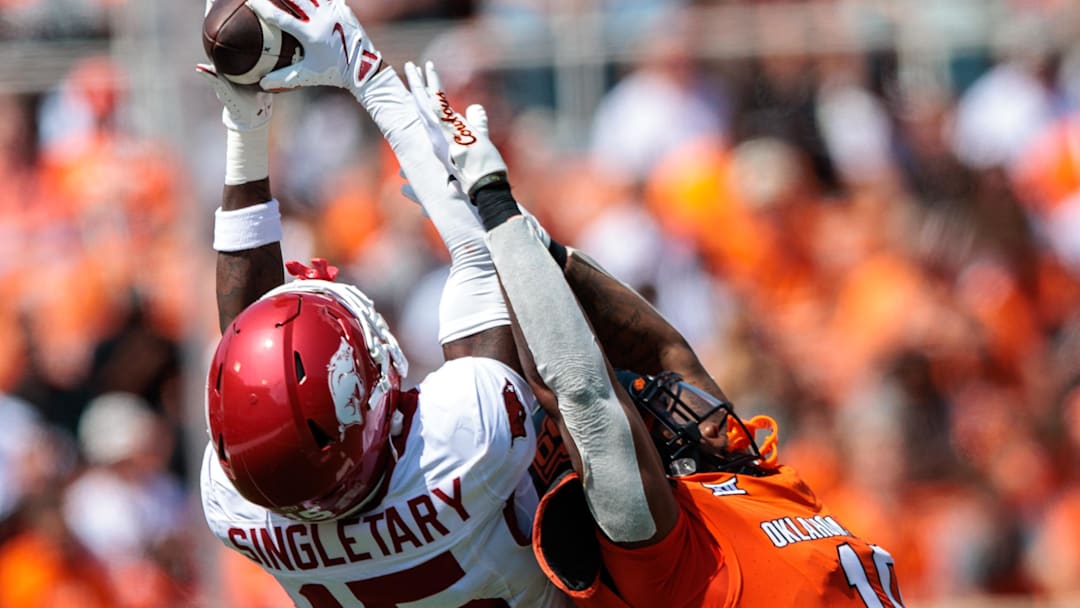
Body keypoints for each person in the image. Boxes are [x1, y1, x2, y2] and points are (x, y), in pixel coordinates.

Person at [403, 61, 908, 607]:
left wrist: (528, 237)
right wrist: (495, 206)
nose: (672, 397)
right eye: (651, 413)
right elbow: (583, 392)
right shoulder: (669, 561)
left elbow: (666, 350)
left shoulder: (755, 478)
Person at [195, 1, 568, 606]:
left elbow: (249, 346)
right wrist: (365, 71)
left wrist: (246, 125)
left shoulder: (241, 506)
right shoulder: (463, 441)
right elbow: (485, 259)